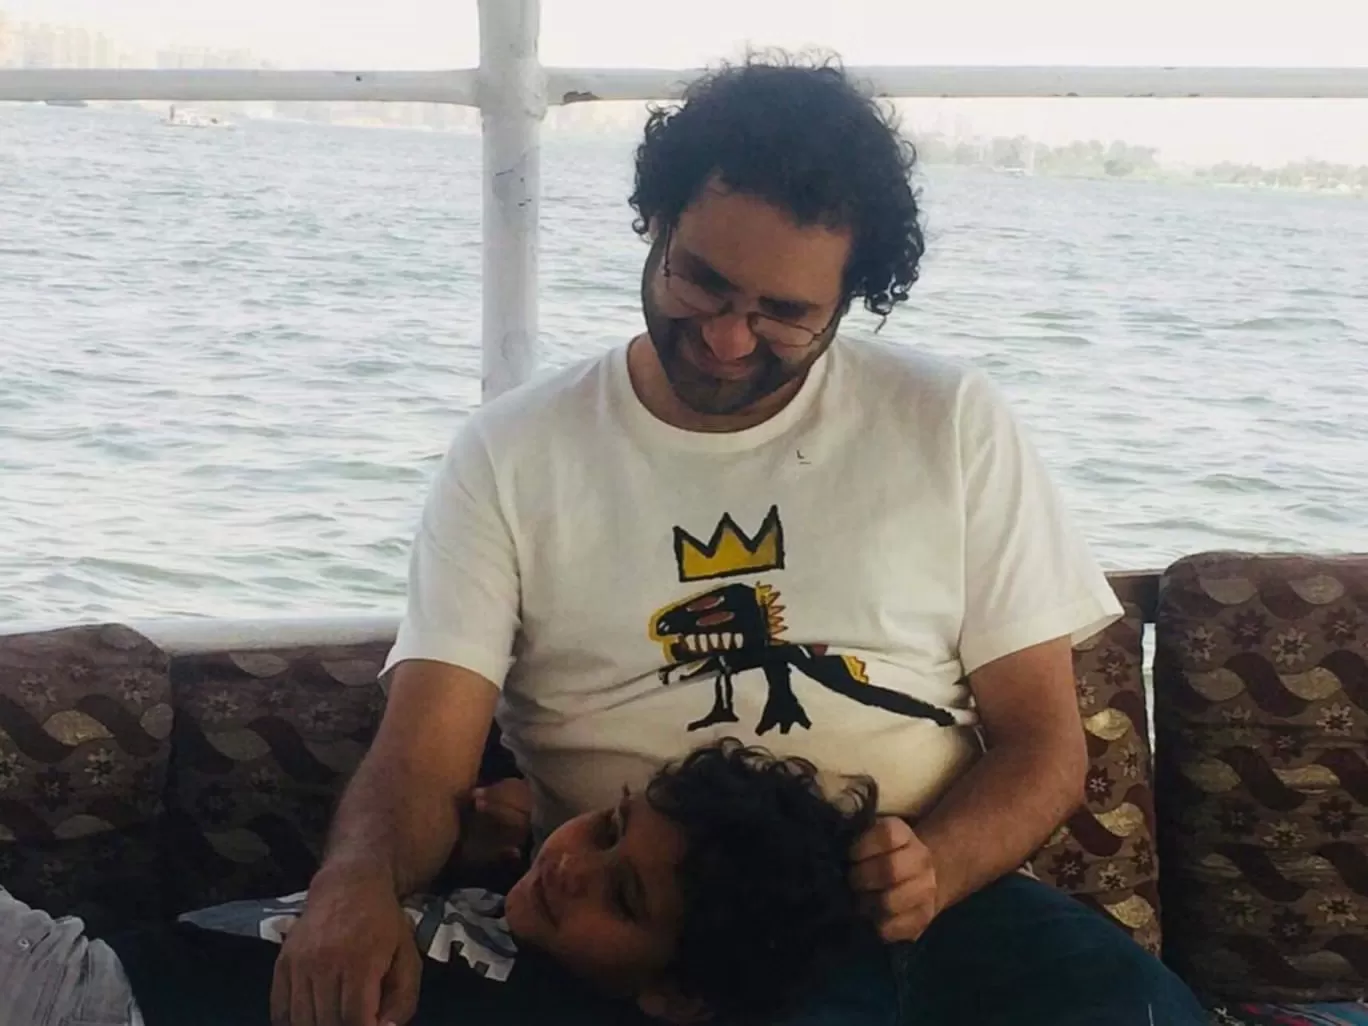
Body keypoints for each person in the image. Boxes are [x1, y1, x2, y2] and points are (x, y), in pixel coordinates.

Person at [275, 52, 1210, 1026]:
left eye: (785, 314)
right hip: (654, 939)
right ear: (656, 225)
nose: (727, 340)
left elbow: (1043, 748)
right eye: (702, 284)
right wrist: (355, 884)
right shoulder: (511, 451)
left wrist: (932, 869)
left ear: (849, 298)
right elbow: (423, 756)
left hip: (929, 914)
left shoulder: (949, 420)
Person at [0, 740, 880, 1026]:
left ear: (676, 996)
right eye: (609, 828)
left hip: (100, 1000)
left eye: (623, 898)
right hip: (96, 970)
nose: (572, 865)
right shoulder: (525, 919)